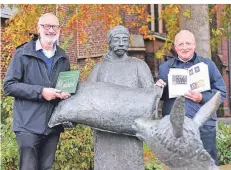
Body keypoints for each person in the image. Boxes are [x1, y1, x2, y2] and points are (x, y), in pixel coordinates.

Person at [3, 13, 71, 170]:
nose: (50, 30)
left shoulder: (63, 57)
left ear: (59, 29)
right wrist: (41, 92)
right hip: (27, 126)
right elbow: (9, 86)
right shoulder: (22, 53)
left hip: (52, 126)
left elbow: (65, 86)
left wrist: (65, 94)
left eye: (54, 26)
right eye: (46, 26)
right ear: (38, 28)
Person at [156, 30, 226, 165]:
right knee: (179, 164)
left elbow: (221, 92)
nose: (184, 47)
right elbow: (161, 97)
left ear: (194, 45)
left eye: (188, 43)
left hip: (204, 126)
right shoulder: (165, 68)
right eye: (180, 44)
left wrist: (202, 97)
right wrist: (157, 89)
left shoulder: (207, 65)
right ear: (175, 47)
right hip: (176, 129)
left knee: (206, 163)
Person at [88, 25, 154, 170]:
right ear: (110, 43)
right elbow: (88, 98)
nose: (121, 43)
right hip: (104, 132)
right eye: (117, 40)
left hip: (129, 130)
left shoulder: (139, 66)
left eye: (124, 40)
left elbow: (150, 97)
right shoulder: (99, 68)